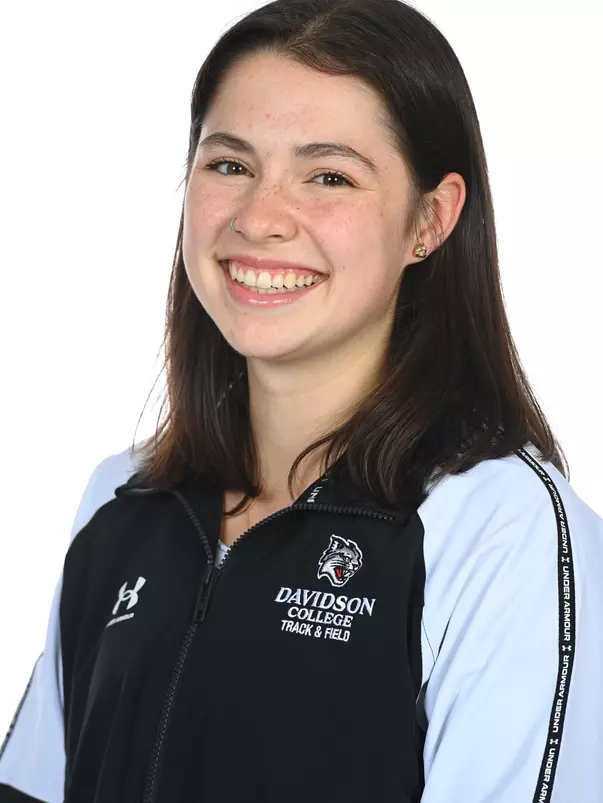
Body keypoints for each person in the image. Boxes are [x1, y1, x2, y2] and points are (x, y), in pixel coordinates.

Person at [1, 0, 602, 800]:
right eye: (229, 165)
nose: (260, 218)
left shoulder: (501, 530)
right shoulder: (118, 501)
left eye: (328, 177)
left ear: (430, 218)